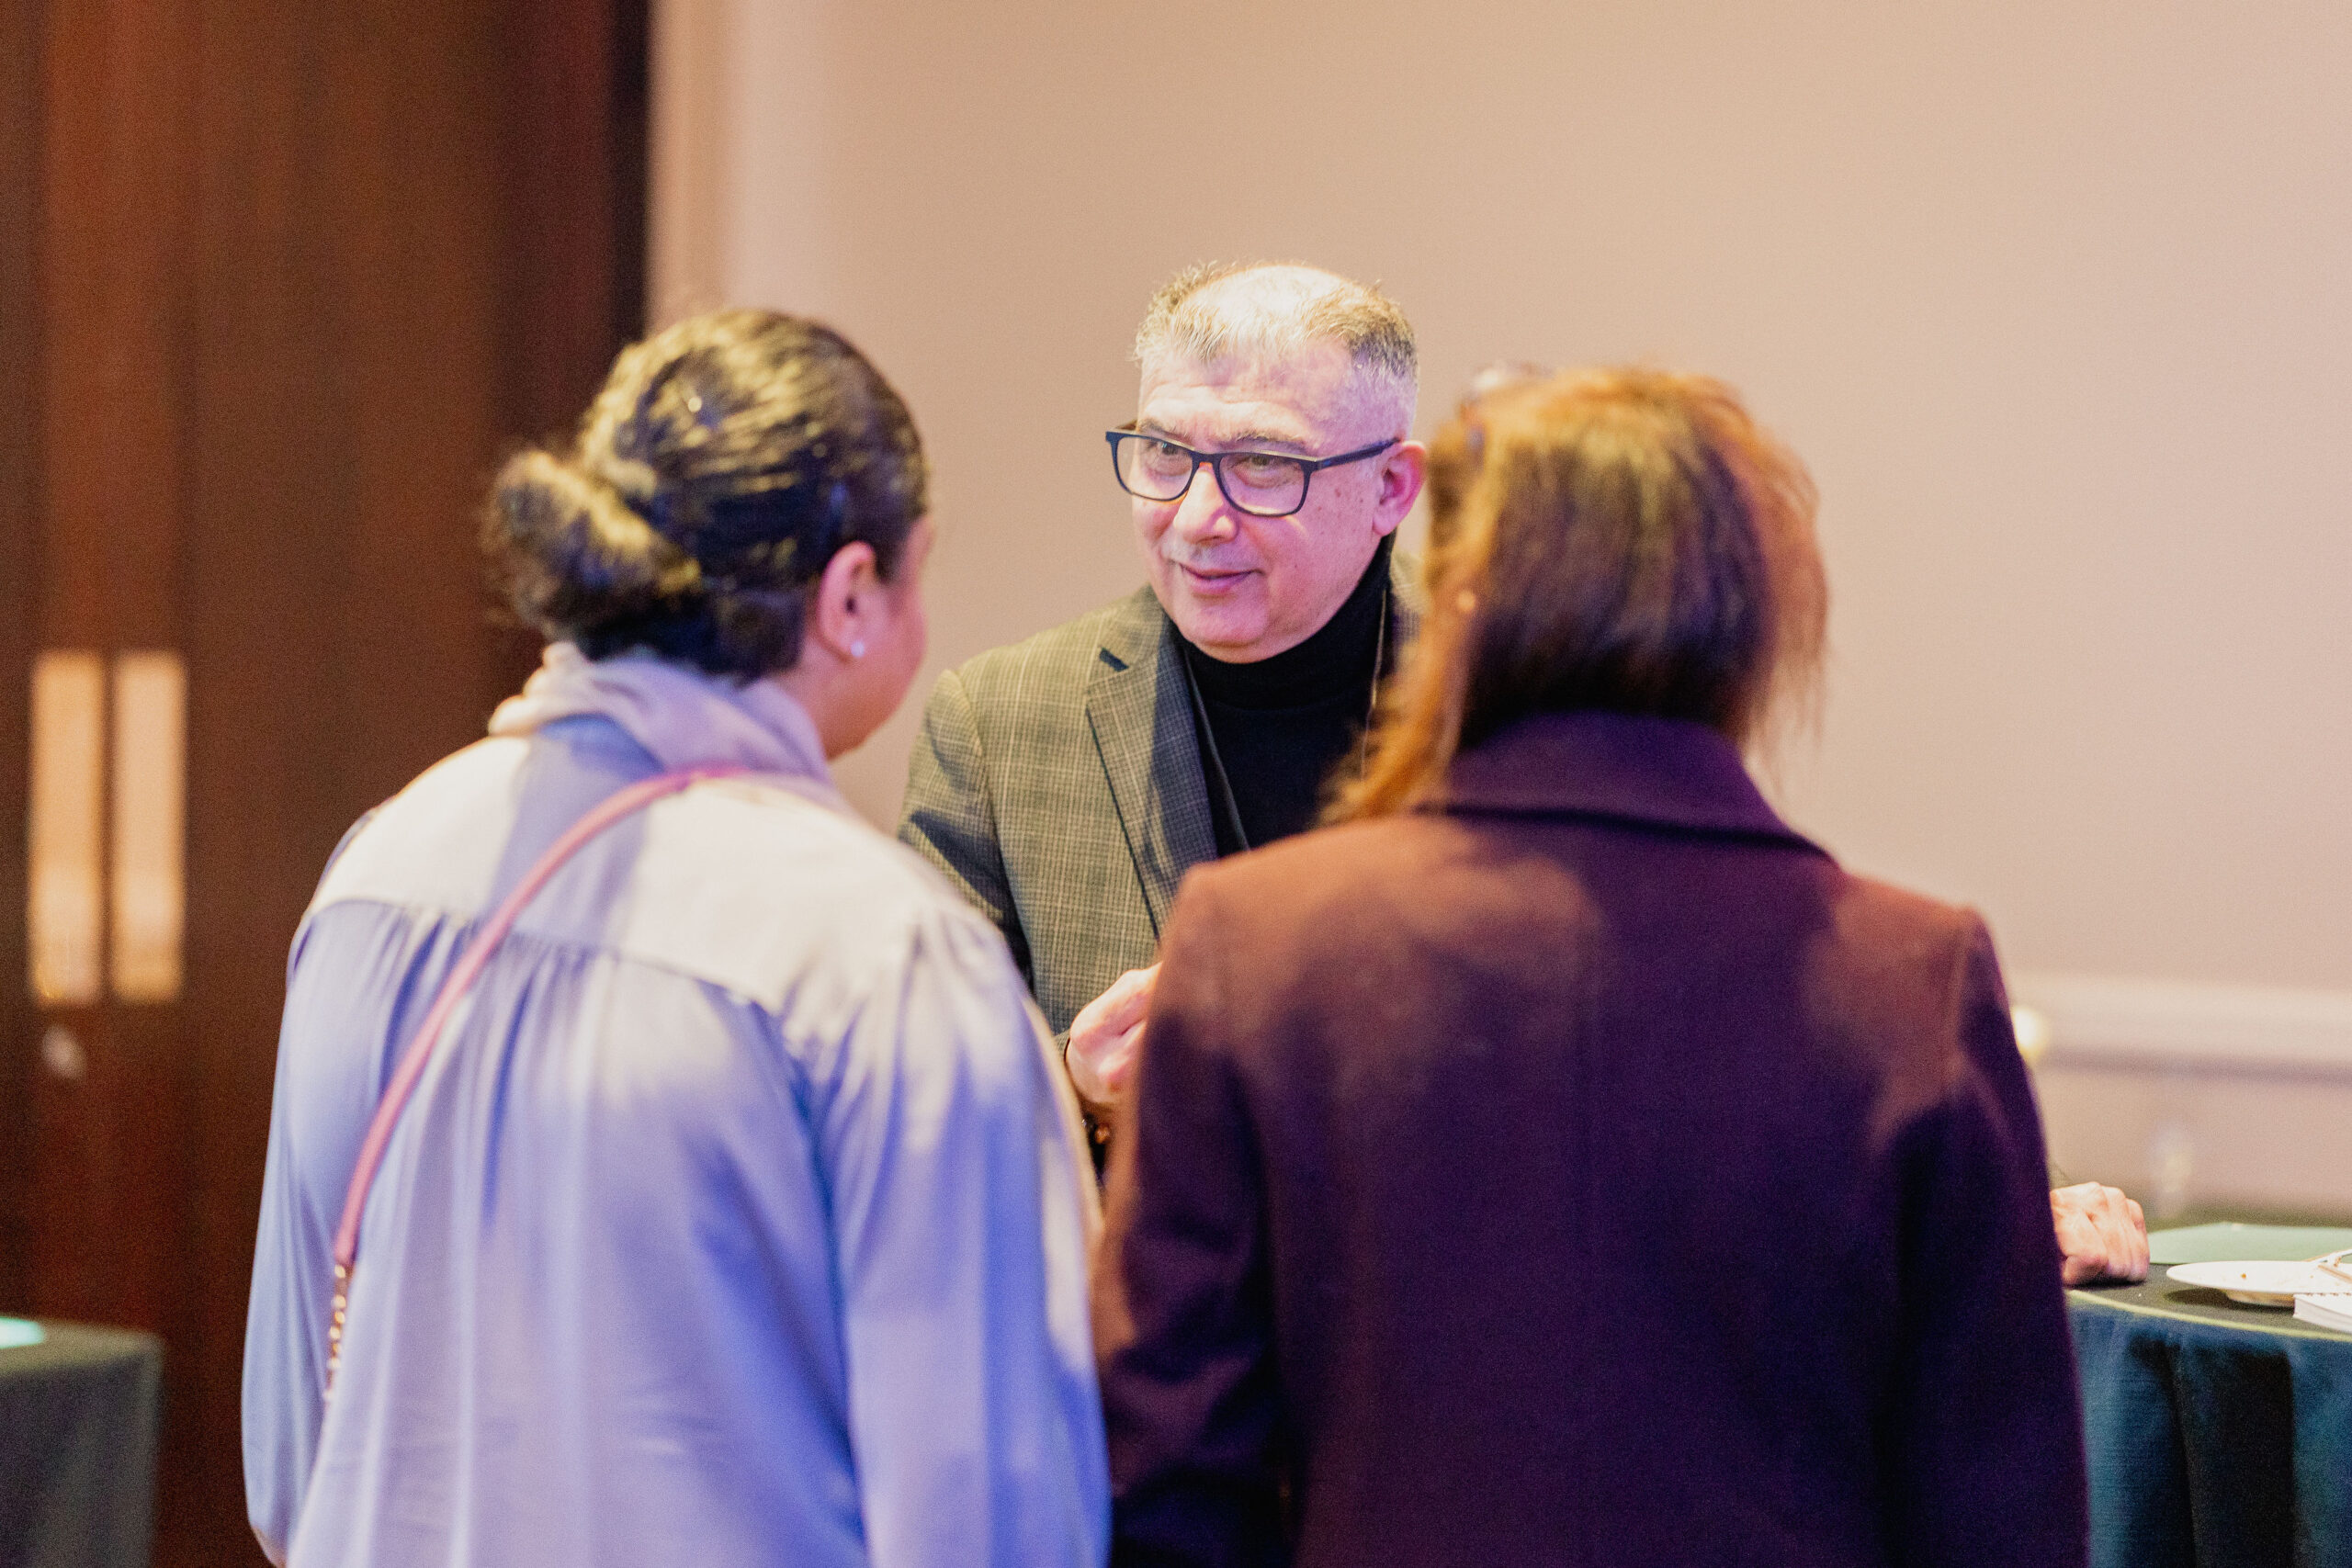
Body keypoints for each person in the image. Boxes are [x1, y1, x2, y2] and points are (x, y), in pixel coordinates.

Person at [1093, 368, 2090, 1566]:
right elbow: (2001, 1516)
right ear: (1757, 622)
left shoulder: (1258, 945)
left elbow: (1166, 1476)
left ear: (1460, 612)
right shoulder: (1908, 979)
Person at [242, 310, 1105, 1568]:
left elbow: (292, 1474)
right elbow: (992, 1526)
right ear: (851, 596)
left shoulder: (378, 876)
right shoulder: (883, 957)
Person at [898, 262, 1427, 1123]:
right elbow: (918, 1097)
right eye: (1165, 453)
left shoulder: (1518, 705)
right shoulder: (998, 724)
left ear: (1390, 487)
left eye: (1262, 463)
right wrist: (1074, 1087)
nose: (1194, 518)